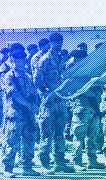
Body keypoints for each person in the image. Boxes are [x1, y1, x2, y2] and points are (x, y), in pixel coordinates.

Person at [33, 32, 75, 174]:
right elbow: (37, 81)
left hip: (60, 101)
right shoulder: (44, 59)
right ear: (51, 43)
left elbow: (64, 76)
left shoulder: (61, 59)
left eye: (61, 42)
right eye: (56, 42)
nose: (59, 44)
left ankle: (60, 162)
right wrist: (47, 93)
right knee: (46, 132)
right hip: (49, 101)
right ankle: (45, 164)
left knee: (60, 132)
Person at [1, 43, 40, 177]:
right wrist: (28, 106)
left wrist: (35, 106)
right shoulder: (9, 76)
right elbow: (14, 94)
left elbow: (35, 93)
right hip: (15, 114)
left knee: (29, 140)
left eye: (23, 59)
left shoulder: (28, 76)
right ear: (12, 60)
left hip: (28, 114)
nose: (22, 61)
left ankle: (27, 167)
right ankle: (7, 168)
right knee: (12, 141)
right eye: (18, 59)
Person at [71, 85, 106, 171]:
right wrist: (93, 94)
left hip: (94, 109)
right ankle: (77, 161)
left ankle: (92, 160)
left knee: (92, 137)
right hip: (82, 110)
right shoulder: (80, 74)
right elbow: (79, 88)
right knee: (79, 137)